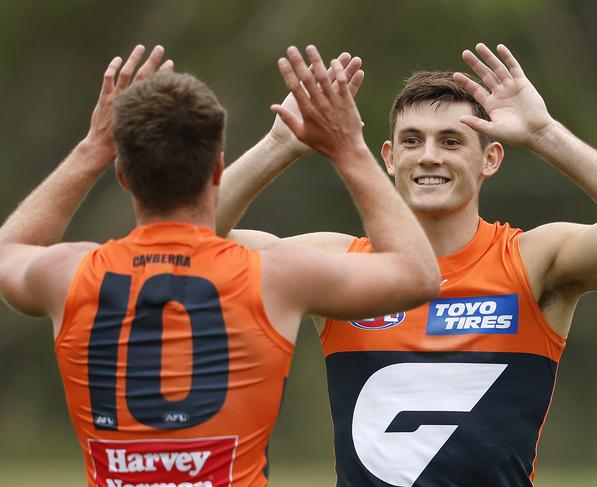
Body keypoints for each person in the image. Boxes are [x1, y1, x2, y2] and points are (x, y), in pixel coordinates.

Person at [0, 44, 439, 487]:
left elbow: (7, 249)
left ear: (123, 175)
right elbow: (419, 274)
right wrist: (347, 146)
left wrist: (93, 147)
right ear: (217, 171)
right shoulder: (275, 275)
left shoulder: (67, 273)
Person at [214, 43, 597, 486]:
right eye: (411, 140)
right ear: (388, 158)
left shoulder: (533, 261)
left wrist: (544, 134)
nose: (428, 155)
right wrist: (280, 145)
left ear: (491, 159)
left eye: (451, 141)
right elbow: (191, 242)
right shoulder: (343, 267)